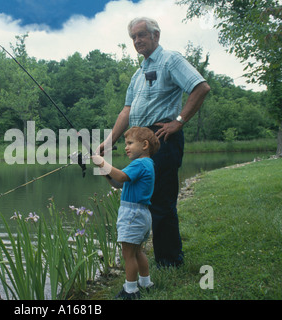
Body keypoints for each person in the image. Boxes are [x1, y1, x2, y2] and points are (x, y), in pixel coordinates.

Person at [97, 17, 211, 268]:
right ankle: (152, 258)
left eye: (142, 35)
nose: (137, 41)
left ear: (155, 35)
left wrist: (179, 121)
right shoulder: (138, 74)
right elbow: (126, 110)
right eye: (133, 37)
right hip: (138, 141)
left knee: (162, 200)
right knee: (142, 199)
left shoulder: (171, 59)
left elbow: (201, 87)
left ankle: (169, 261)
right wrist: (109, 141)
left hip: (162, 138)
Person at [93, 126, 160, 300]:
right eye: (125, 143)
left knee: (128, 254)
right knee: (138, 251)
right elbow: (118, 183)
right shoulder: (148, 164)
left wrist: (101, 161)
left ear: (144, 145)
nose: (126, 147)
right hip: (142, 214)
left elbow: (121, 177)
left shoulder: (139, 163)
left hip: (132, 214)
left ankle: (131, 291)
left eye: (130, 143)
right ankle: (146, 283)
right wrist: (104, 172)